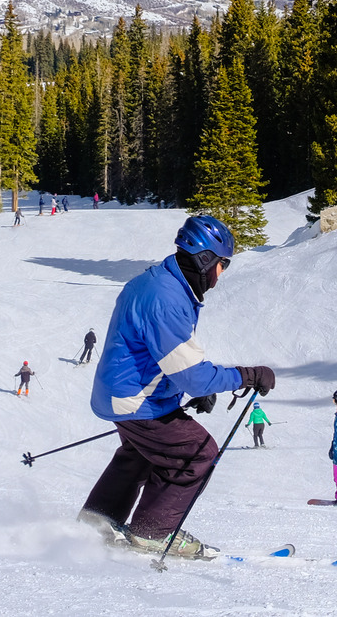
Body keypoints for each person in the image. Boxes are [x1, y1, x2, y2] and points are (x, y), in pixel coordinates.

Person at [78, 214, 276, 561]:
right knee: (197, 450)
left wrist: (182, 388)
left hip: (122, 394)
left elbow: (152, 354)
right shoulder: (166, 299)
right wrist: (247, 375)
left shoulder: (160, 283)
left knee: (142, 452)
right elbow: (194, 375)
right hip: (135, 400)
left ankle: (98, 521)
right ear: (205, 260)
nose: (221, 274)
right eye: (222, 264)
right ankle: (152, 532)